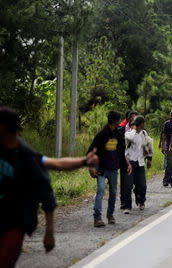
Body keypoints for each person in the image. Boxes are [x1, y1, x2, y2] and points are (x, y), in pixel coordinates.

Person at [0, 107, 99, 267]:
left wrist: (50, 231)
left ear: (3, 128)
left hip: (14, 222)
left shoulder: (27, 156)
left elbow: (55, 166)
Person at [88, 111, 131, 227]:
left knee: (113, 192)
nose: (120, 122)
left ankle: (110, 214)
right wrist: (90, 168)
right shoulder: (102, 135)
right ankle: (97, 218)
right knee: (101, 190)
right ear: (115, 121)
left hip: (113, 169)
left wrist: (127, 164)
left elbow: (121, 153)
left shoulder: (118, 134)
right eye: (119, 120)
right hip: (101, 168)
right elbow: (91, 151)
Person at [124, 116, 152, 212]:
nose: (144, 125)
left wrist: (149, 159)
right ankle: (127, 206)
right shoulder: (128, 134)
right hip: (130, 162)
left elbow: (148, 145)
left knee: (142, 184)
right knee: (128, 185)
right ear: (140, 124)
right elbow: (131, 137)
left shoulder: (144, 133)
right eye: (143, 123)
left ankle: (141, 201)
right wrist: (134, 129)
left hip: (140, 161)